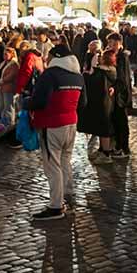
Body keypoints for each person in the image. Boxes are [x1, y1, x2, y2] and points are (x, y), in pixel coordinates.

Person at [27, 43, 85, 221]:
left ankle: (55, 206)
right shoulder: (78, 76)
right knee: (65, 161)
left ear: (57, 57)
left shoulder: (50, 75)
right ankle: (68, 195)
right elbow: (83, 103)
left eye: (50, 56)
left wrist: (26, 103)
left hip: (51, 123)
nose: (47, 59)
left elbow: (39, 101)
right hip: (71, 123)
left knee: (52, 165)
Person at [79, 49, 115, 162]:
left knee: (104, 129)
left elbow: (92, 83)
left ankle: (106, 154)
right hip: (105, 103)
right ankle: (103, 151)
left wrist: (86, 74)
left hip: (102, 104)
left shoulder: (102, 73)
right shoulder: (110, 72)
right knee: (102, 128)